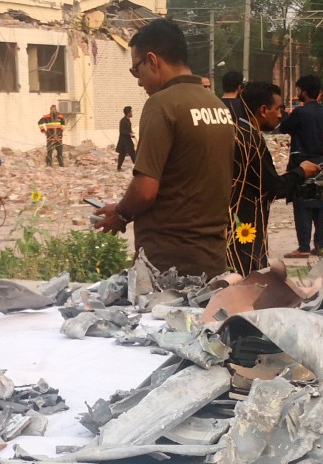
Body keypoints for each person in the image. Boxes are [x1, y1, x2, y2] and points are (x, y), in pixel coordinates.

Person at [91, 19, 234, 277]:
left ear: (152, 60)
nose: (138, 81)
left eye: (136, 70)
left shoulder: (162, 104)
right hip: (211, 259)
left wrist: (120, 213)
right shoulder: (217, 106)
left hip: (168, 263)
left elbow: (145, 190)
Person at [229, 81, 321, 274]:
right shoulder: (251, 140)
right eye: (278, 109)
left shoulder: (238, 133)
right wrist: (301, 172)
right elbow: (272, 187)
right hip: (245, 230)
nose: (281, 115)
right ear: (264, 110)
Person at [279, 74, 323, 257]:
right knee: (319, 202)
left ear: (305, 92)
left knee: (301, 204)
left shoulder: (300, 112)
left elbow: (284, 127)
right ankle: (321, 244)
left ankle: (303, 247)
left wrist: (284, 113)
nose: (297, 93)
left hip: (302, 161)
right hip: (320, 160)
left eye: (299, 90)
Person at [116, 105, 136, 172]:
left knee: (132, 152)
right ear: (128, 113)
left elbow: (128, 129)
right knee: (123, 153)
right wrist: (129, 133)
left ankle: (136, 166)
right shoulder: (123, 121)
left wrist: (131, 133)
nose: (132, 113)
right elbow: (122, 131)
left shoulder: (128, 120)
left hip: (127, 140)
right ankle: (119, 167)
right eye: (131, 112)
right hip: (123, 141)